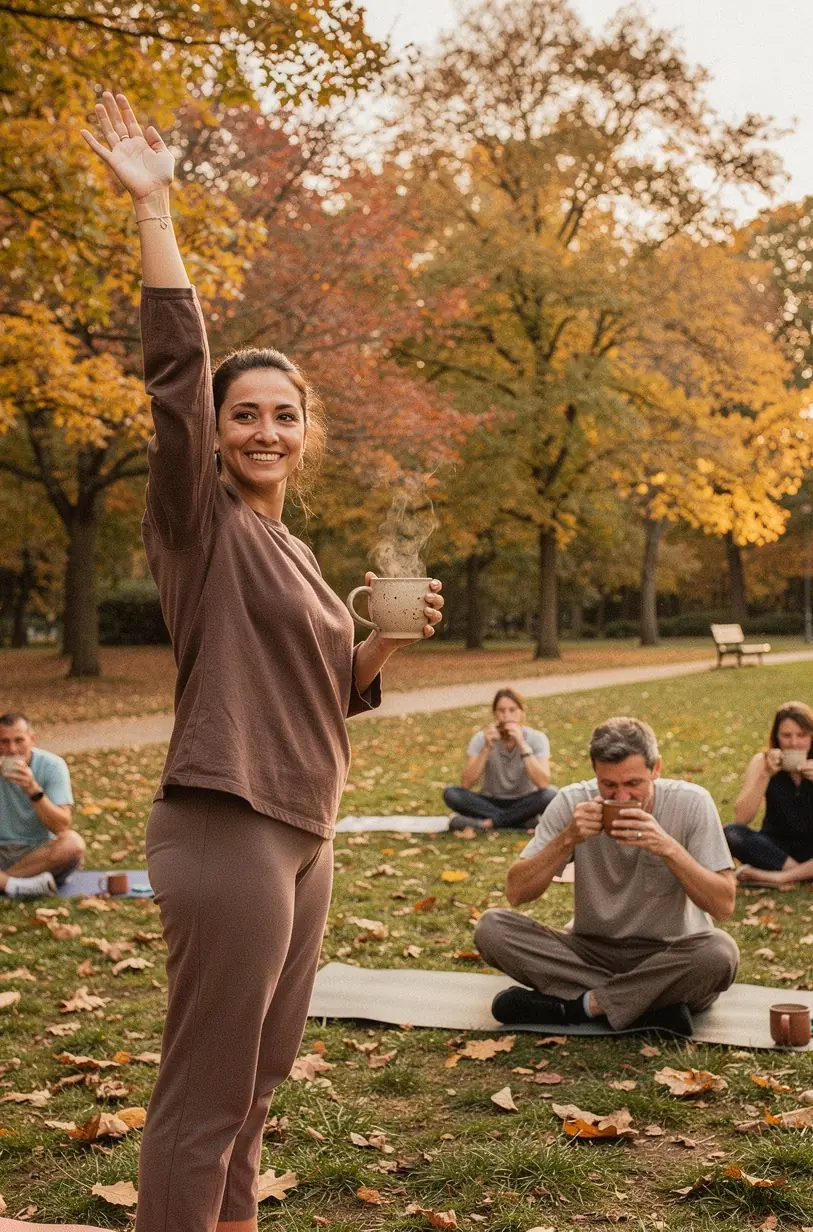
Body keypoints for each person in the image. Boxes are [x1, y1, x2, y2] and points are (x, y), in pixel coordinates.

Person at [80, 91, 443, 1232]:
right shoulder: (203, 521)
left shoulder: (291, 548)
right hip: (224, 819)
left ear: (306, 429)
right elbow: (176, 381)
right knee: (203, 1096)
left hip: (306, 829)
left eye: (285, 414)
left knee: (259, 1085)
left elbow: (325, 694)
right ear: (223, 428)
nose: (264, 430)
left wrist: (378, 638)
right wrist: (156, 212)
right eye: (246, 413)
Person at [475, 716, 738, 1037]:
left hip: (670, 958)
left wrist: (668, 847)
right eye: (609, 785)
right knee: (492, 929)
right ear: (595, 773)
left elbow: (723, 903)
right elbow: (516, 892)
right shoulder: (573, 802)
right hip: (589, 952)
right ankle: (647, 1007)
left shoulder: (691, 803)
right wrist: (568, 838)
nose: (621, 797)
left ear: (656, 770)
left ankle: (576, 1007)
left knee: (720, 954)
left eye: (633, 784)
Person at [724, 700, 813, 887]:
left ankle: (779, 878)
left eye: (801, 735)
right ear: (776, 737)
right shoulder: (762, 762)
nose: (794, 743)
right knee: (731, 833)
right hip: (777, 848)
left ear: (812, 737)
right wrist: (765, 774)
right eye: (786, 736)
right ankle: (803, 875)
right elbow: (741, 818)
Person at [443, 688, 556, 830]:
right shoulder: (481, 739)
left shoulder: (536, 739)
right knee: (451, 793)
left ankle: (486, 824)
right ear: (495, 714)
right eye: (501, 711)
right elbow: (466, 783)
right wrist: (486, 749)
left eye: (512, 710)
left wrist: (522, 745)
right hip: (489, 801)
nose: (506, 716)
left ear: (522, 713)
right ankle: (519, 821)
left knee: (550, 794)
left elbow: (543, 783)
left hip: (524, 800)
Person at [0, 712, 84, 898]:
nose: (12, 750)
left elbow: (61, 826)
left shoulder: (52, 765)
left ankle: (7, 882)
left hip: (37, 855)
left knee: (72, 844)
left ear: (33, 740)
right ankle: (20, 886)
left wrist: (33, 789)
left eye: (19, 741)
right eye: (4, 742)